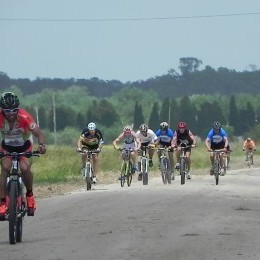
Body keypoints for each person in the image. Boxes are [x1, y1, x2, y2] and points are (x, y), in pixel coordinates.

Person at [0, 92, 46, 218]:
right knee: (5, 169)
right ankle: (2, 203)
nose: (10, 113)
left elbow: (39, 134)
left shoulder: (24, 116)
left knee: (25, 169)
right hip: (6, 148)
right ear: (2, 109)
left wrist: (41, 145)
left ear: (18, 108)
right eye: (7, 110)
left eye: (14, 110)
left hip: (24, 147)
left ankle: (30, 195)